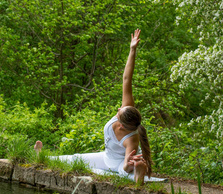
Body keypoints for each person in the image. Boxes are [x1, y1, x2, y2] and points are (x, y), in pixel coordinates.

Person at [35, 29, 152, 184]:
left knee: (124, 173)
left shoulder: (132, 139)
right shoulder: (129, 110)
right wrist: (132, 50)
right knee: (75, 159)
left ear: (122, 126)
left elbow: (124, 166)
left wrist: (128, 164)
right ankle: (42, 156)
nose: (118, 109)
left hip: (118, 165)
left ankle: (138, 172)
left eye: (119, 113)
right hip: (105, 158)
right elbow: (126, 79)